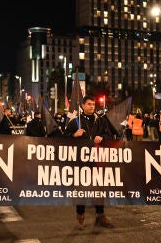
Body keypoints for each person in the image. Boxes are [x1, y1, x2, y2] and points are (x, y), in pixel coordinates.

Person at [64, 95, 113, 229]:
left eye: (93, 104)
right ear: (83, 106)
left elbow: (109, 135)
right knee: (81, 189)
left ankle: (100, 215)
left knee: (99, 189)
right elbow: (63, 140)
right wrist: (74, 135)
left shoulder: (100, 121)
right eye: (89, 104)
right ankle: (80, 215)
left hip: (97, 160)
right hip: (81, 161)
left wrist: (102, 138)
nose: (92, 106)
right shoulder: (75, 121)